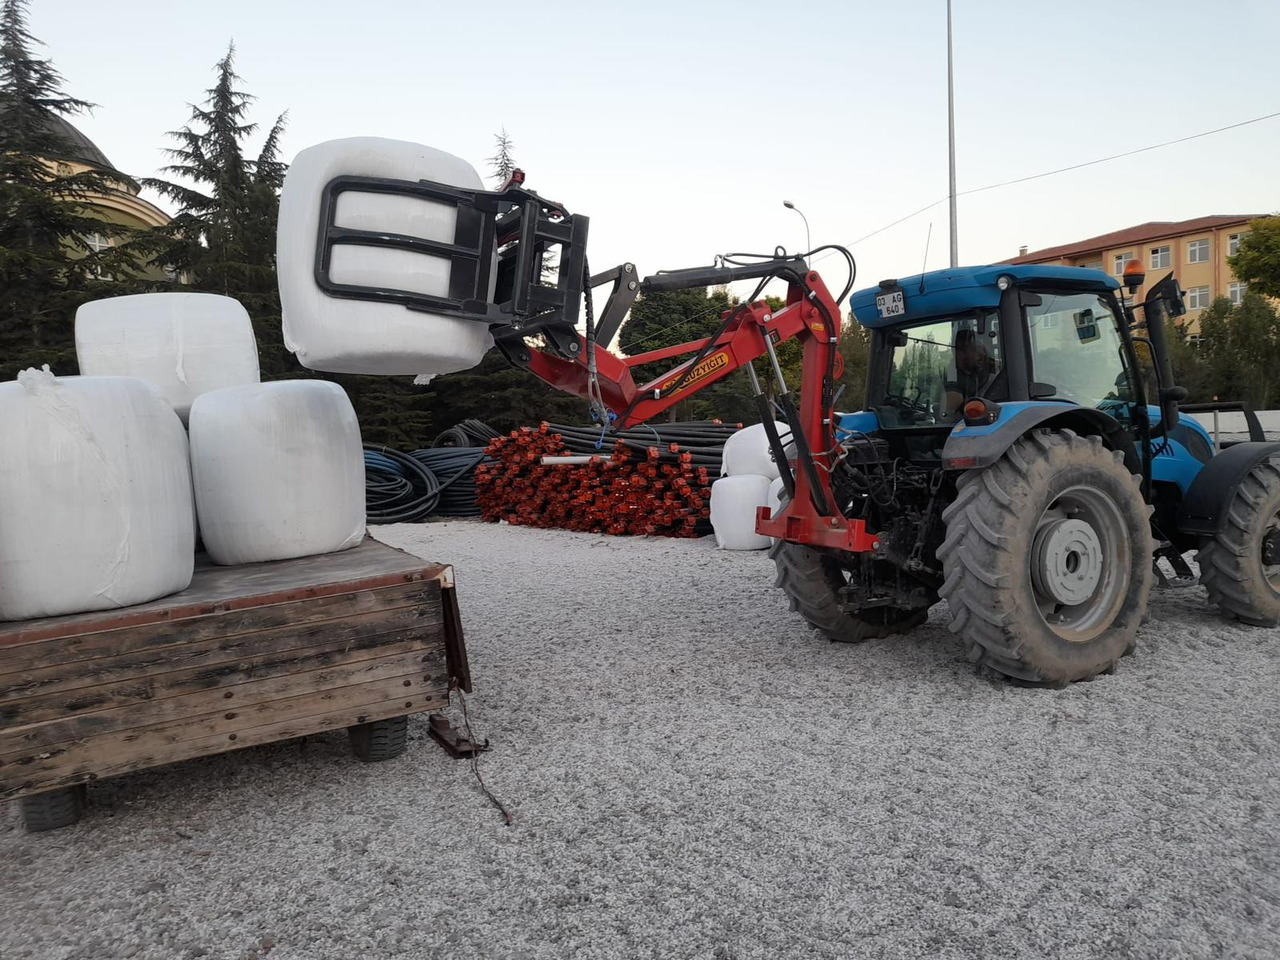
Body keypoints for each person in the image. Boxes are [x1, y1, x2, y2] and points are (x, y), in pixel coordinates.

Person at [945, 328, 1003, 416]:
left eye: (983, 349)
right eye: (976, 349)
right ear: (960, 353)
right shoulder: (953, 374)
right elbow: (949, 411)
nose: (982, 354)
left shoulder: (996, 370)